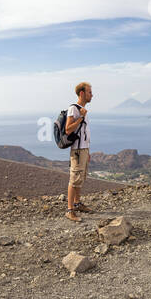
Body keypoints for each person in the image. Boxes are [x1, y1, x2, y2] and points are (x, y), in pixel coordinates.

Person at [64, 82, 93, 222]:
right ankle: (70, 210)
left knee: (80, 178)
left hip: (83, 150)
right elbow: (68, 129)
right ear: (82, 93)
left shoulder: (83, 109)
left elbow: (84, 132)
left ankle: (77, 203)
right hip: (77, 150)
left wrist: (88, 151)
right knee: (74, 179)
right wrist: (80, 117)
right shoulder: (74, 109)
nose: (92, 95)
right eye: (89, 92)